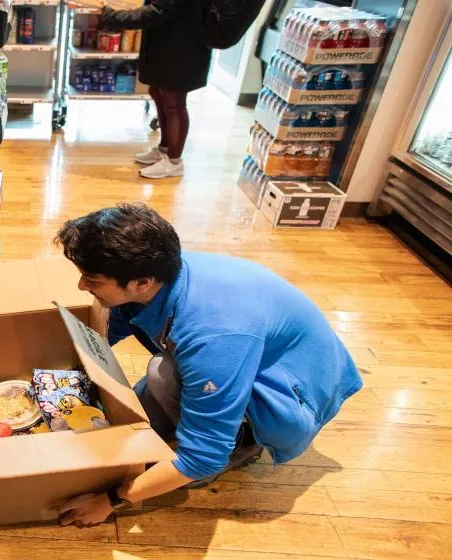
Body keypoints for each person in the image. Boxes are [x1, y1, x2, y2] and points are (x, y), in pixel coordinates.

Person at [52, 203, 362, 527]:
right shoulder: (155, 277)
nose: (81, 287)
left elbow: (202, 456)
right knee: (138, 420)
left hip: (292, 395)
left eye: (92, 279)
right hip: (248, 353)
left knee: (163, 377)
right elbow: (109, 330)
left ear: (142, 282)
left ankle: (243, 445)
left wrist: (111, 500)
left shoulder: (213, 336)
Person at [84, 0, 212, 179]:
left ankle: (174, 162)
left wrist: (111, 16)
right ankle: (164, 149)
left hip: (183, 45)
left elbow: (158, 11)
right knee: (158, 93)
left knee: (174, 102)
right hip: (166, 40)